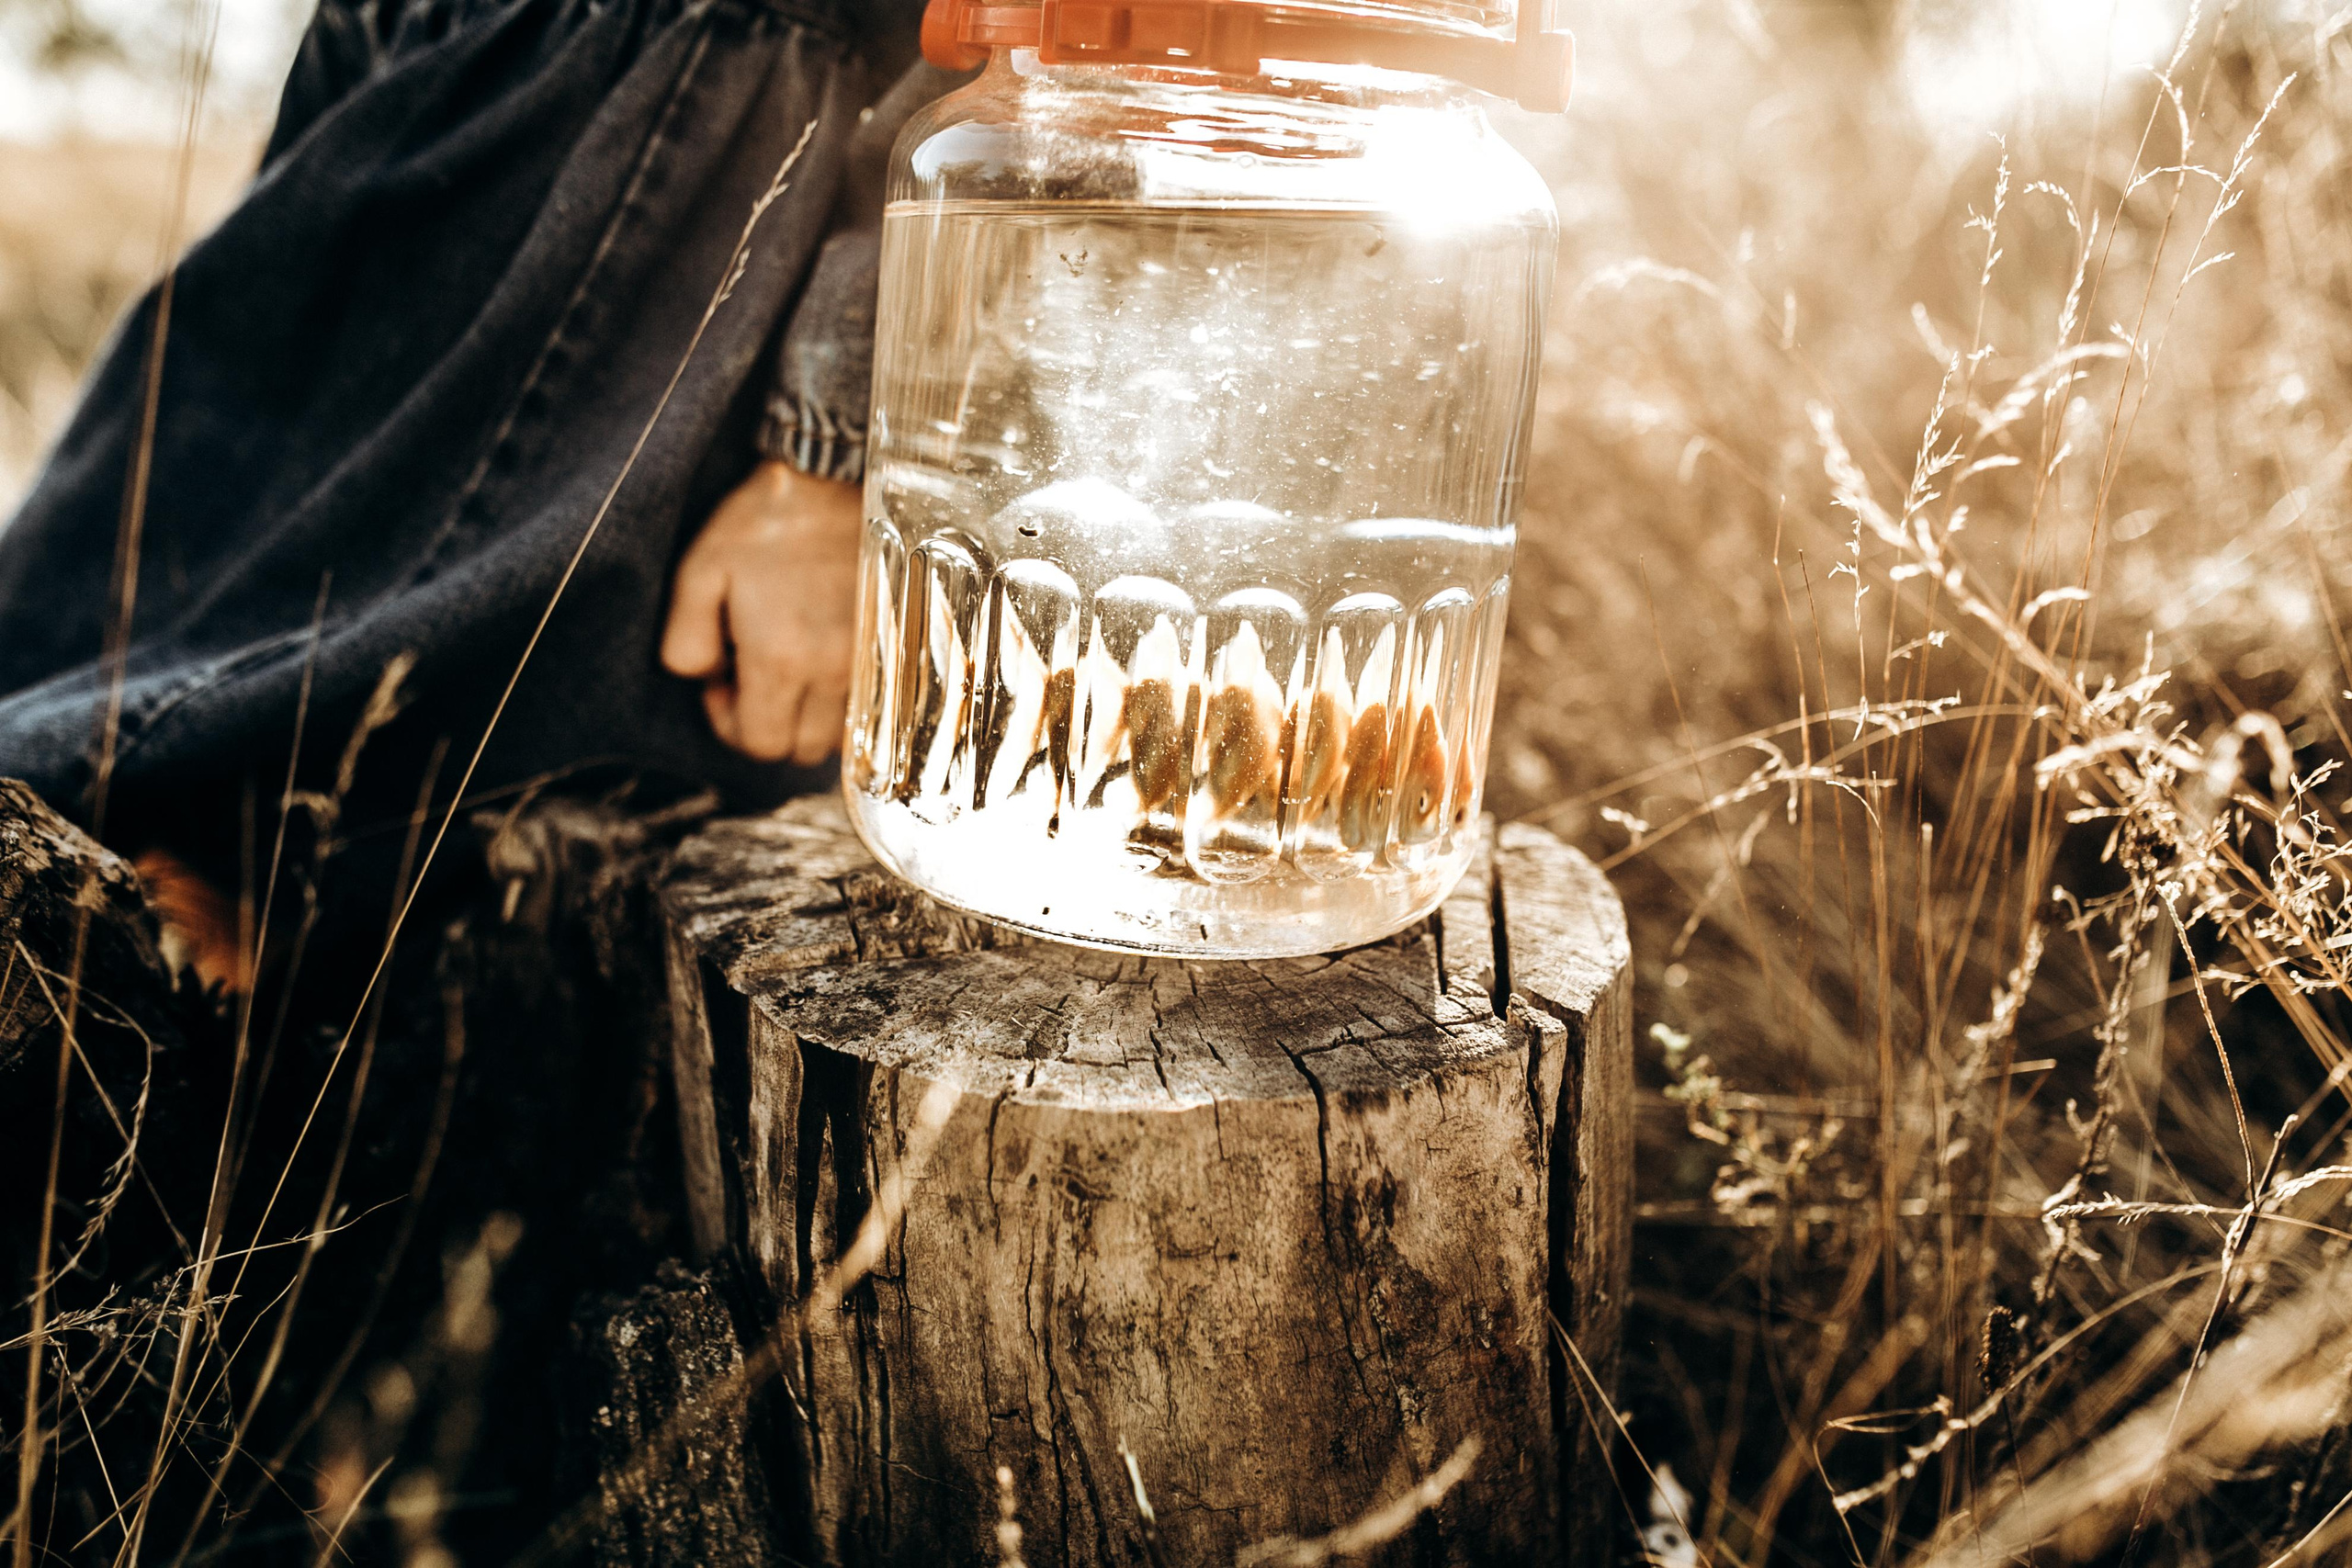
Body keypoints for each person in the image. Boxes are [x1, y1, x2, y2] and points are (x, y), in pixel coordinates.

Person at [0, 0, 959, 987]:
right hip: (427, 68)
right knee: (56, 722)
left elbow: (1013, 61)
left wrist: (835, 451)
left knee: (118, 789)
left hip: (671, 130)